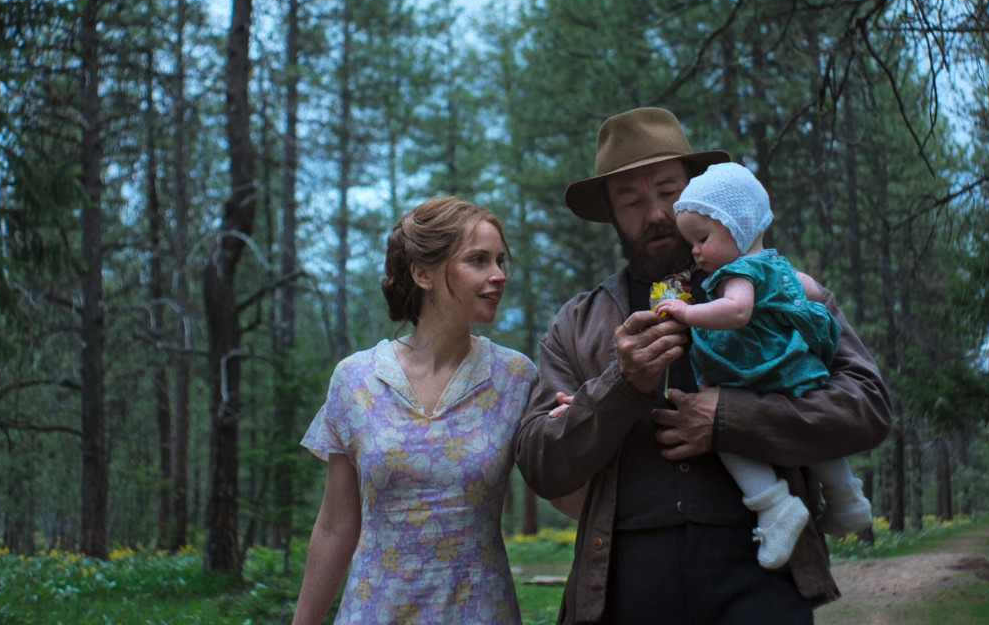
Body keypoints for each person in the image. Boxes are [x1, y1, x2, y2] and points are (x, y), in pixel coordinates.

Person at [515, 107, 891, 625]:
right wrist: (621, 384)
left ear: (697, 191)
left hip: (762, 573)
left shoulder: (775, 285)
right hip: (622, 583)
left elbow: (868, 407)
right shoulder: (577, 325)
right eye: (631, 200)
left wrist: (729, 419)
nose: (656, 214)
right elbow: (541, 463)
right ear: (611, 213)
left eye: (669, 192)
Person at [293, 196, 537, 625]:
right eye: (478, 260)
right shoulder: (356, 380)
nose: (498, 276)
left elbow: (568, 489)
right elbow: (335, 526)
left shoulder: (516, 377)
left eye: (500, 261)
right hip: (374, 612)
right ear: (422, 273)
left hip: (479, 612)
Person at [651, 161, 872, 568]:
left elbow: (736, 313)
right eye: (692, 243)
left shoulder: (736, 274)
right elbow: (808, 293)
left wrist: (686, 314)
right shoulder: (780, 266)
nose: (696, 251)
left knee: (725, 433)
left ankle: (773, 505)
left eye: (702, 238)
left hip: (754, 371)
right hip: (796, 368)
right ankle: (846, 497)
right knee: (814, 437)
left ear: (740, 226)